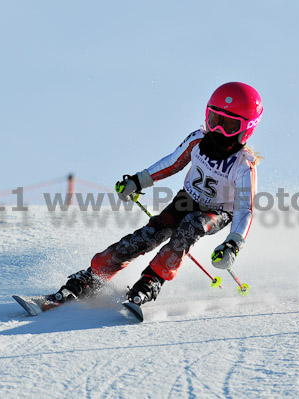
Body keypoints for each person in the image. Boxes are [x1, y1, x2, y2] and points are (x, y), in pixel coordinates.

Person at [54, 82, 263, 307]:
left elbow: (244, 209)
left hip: (218, 211)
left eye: (229, 125)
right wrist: (138, 181)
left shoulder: (243, 166)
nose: (219, 130)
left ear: (246, 128)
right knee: (151, 233)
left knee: (192, 225)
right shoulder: (198, 140)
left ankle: (151, 280)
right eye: (215, 120)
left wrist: (232, 244)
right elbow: (172, 163)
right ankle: (93, 276)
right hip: (188, 199)